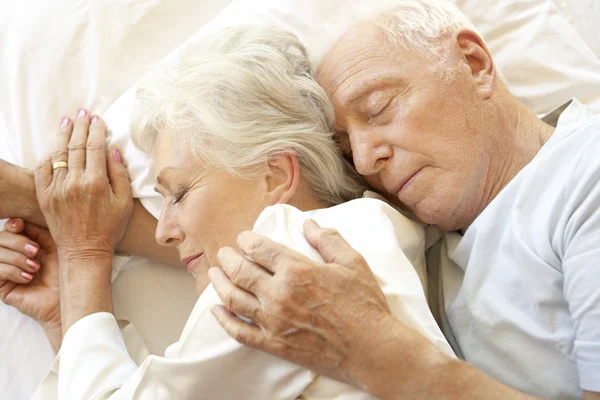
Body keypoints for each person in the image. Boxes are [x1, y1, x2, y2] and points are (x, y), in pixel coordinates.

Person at [3, 24, 453, 399]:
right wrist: (67, 320)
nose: (163, 232)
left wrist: (83, 255)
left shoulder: (294, 260)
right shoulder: (375, 234)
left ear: (275, 175)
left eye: (178, 193)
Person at [208, 2, 600, 400]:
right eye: (346, 151)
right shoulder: (417, 234)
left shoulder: (585, 172)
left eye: (377, 109)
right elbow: (227, 212)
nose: (364, 160)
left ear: (474, 63)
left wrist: (371, 347)